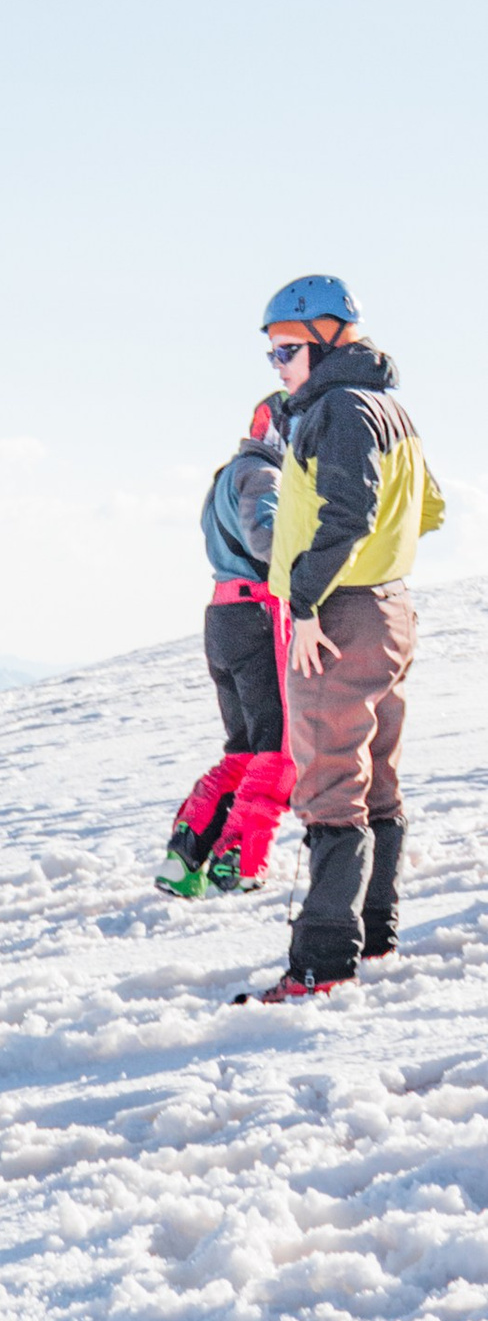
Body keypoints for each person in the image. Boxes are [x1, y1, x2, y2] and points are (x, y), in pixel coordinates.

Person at [248, 274, 443, 999]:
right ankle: (375, 933)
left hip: (338, 614)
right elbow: (428, 508)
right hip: (388, 608)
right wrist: (382, 562)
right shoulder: (392, 409)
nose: (279, 365)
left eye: (285, 350)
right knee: (375, 774)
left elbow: (348, 514)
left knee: (330, 780)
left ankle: (321, 965)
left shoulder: (336, 409)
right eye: (272, 354)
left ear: (328, 339)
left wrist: (305, 604)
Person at [157, 400, 292, 899]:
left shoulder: (225, 476)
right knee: (276, 750)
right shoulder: (261, 474)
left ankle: (184, 859)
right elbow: (265, 539)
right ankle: (239, 861)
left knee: (244, 748)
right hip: (257, 615)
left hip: (223, 616)